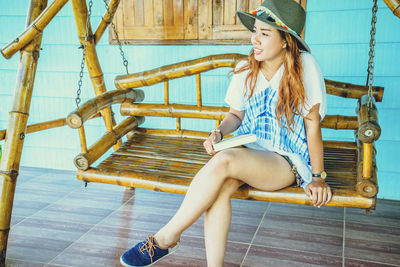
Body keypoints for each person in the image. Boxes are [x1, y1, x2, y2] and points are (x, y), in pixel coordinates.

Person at [120, 0, 332, 266]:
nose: (255, 39)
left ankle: (164, 239)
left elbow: (312, 125)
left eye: (265, 34)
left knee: (223, 161)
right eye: (255, 31)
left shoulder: (304, 65)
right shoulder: (246, 68)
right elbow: (236, 115)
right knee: (219, 189)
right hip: (250, 151)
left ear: (286, 41)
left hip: (286, 160)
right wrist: (219, 132)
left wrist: (317, 177)